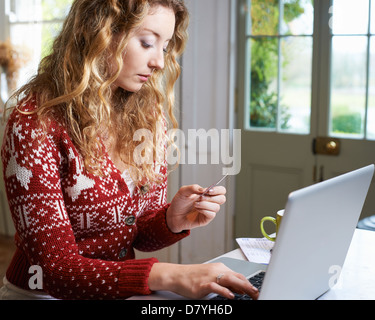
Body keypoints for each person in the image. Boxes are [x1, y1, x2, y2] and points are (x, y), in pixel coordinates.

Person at [0, 0, 258, 300]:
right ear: (100, 34)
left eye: (165, 46)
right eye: (147, 42)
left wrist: (172, 220)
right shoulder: (34, 121)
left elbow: (139, 236)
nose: (160, 62)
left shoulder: (147, 115)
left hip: (119, 291)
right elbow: (55, 270)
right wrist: (174, 274)